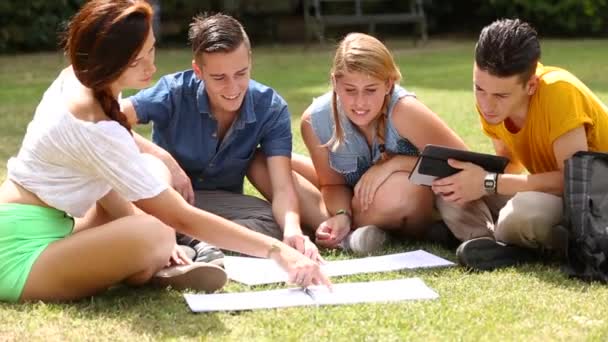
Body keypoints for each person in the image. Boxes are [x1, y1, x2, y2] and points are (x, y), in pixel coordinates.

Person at [0, 0, 329, 303]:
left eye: (151, 51)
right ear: (110, 61)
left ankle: (156, 259)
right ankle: (155, 259)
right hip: (19, 252)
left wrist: (163, 160)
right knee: (155, 230)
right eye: (138, 60)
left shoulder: (78, 79)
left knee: (152, 194)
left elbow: (110, 164)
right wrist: (278, 252)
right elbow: (178, 215)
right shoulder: (95, 124)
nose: (151, 66)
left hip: (53, 227)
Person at [121, 13, 321, 264]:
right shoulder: (173, 91)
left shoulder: (270, 108)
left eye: (241, 73)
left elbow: (282, 188)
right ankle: (186, 240)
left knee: (274, 221)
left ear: (250, 61)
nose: (232, 87)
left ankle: (196, 244)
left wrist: (292, 230)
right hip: (165, 199)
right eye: (219, 78)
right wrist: (165, 159)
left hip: (217, 203)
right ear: (198, 71)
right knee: (135, 213)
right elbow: (105, 118)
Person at [433, 18, 608, 270]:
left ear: (531, 85)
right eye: (479, 89)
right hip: (556, 197)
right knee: (450, 189)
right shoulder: (492, 103)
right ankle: (490, 242)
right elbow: (511, 168)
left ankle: (515, 244)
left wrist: (488, 182)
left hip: (594, 199)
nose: (486, 104)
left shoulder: (559, 91)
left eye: (501, 95)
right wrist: (472, 181)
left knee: (525, 212)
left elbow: (574, 181)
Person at [295, 32, 468, 255]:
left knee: (402, 189)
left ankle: (350, 233)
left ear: (388, 84)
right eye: (350, 90)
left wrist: (393, 165)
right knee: (272, 164)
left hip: (403, 199)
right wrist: (341, 213)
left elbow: (463, 160)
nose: (359, 103)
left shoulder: (404, 110)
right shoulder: (314, 120)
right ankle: (346, 229)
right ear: (335, 83)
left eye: (370, 90)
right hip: (353, 198)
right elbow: (332, 184)